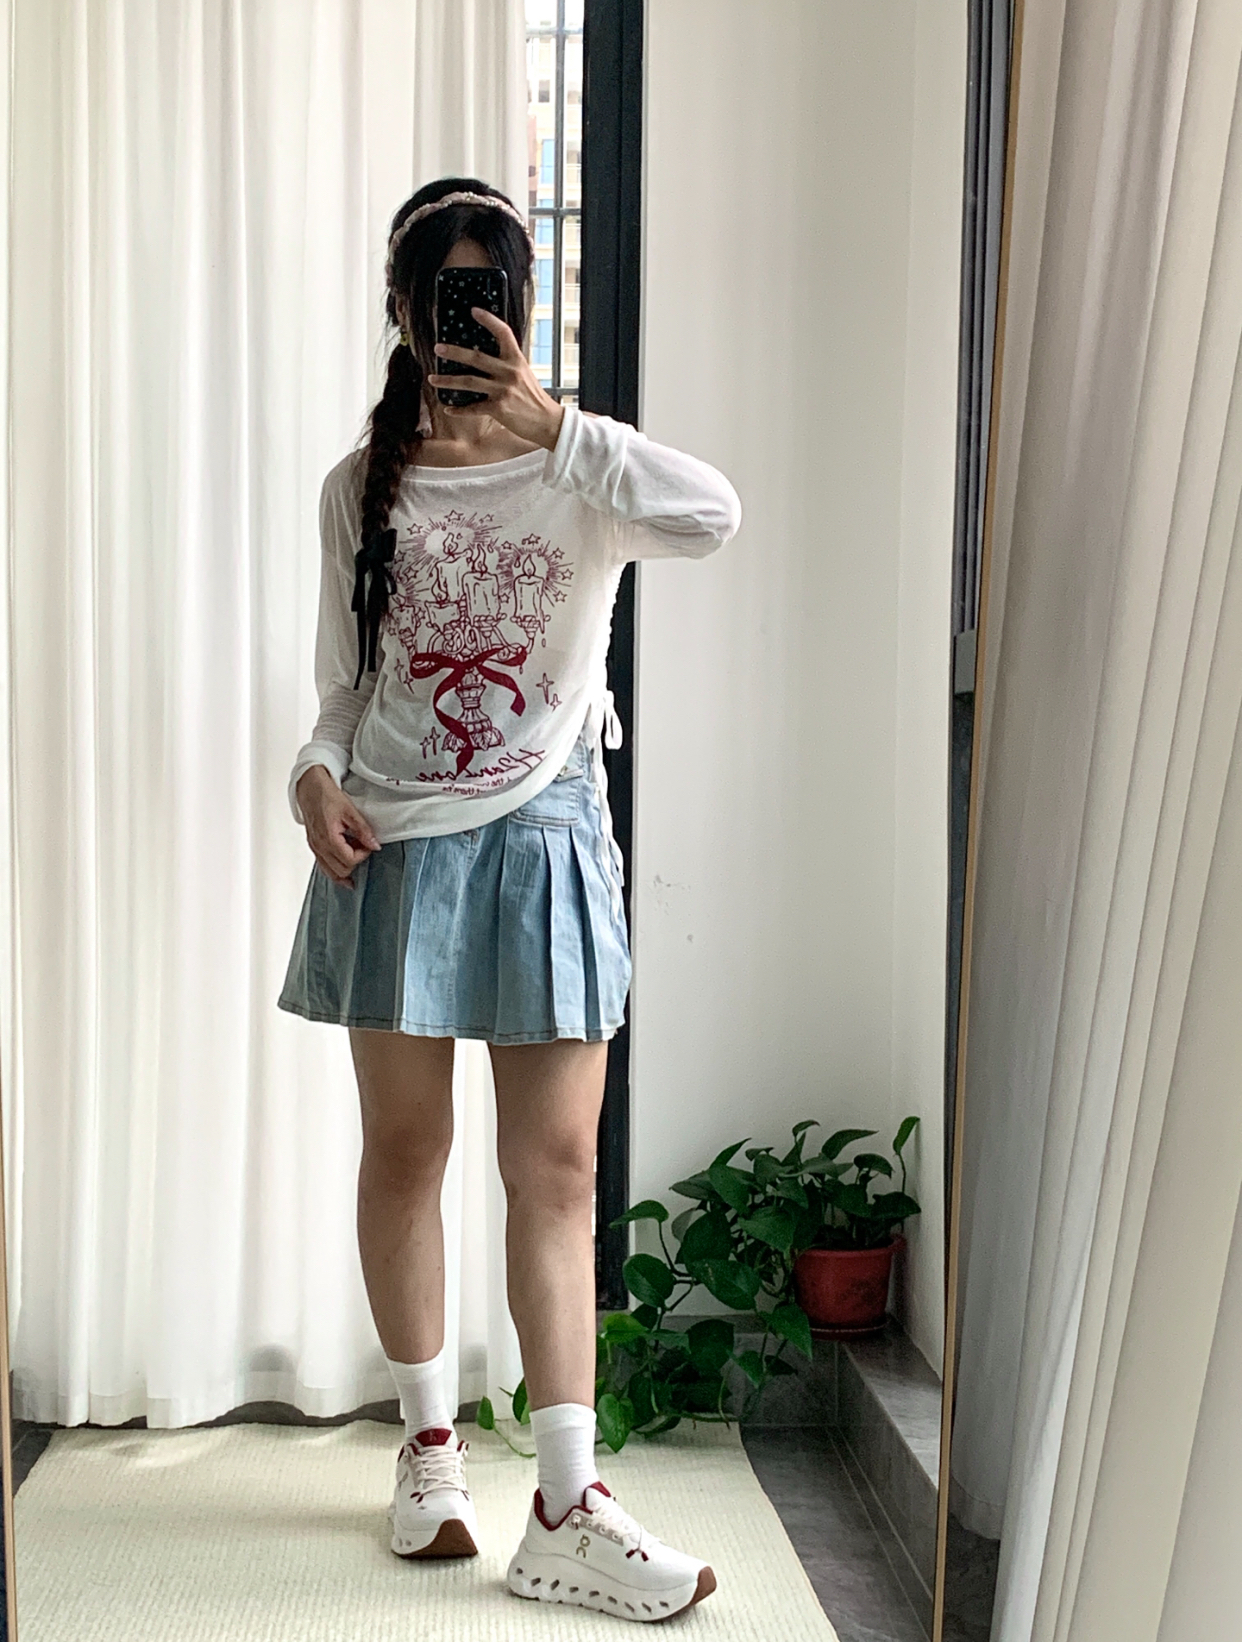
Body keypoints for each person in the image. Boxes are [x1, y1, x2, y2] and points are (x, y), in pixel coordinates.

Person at [278, 177, 741, 1623]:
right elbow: (343, 692)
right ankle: (429, 1452)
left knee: (556, 1172)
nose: (466, 319)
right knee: (405, 1150)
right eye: (443, 296)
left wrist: (558, 429)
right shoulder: (361, 485)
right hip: (397, 843)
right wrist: (310, 782)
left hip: (545, 832)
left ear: (525, 313)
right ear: (401, 314)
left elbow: (716, 515)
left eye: (492, 295)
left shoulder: (582, 461)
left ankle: (563, 1502)